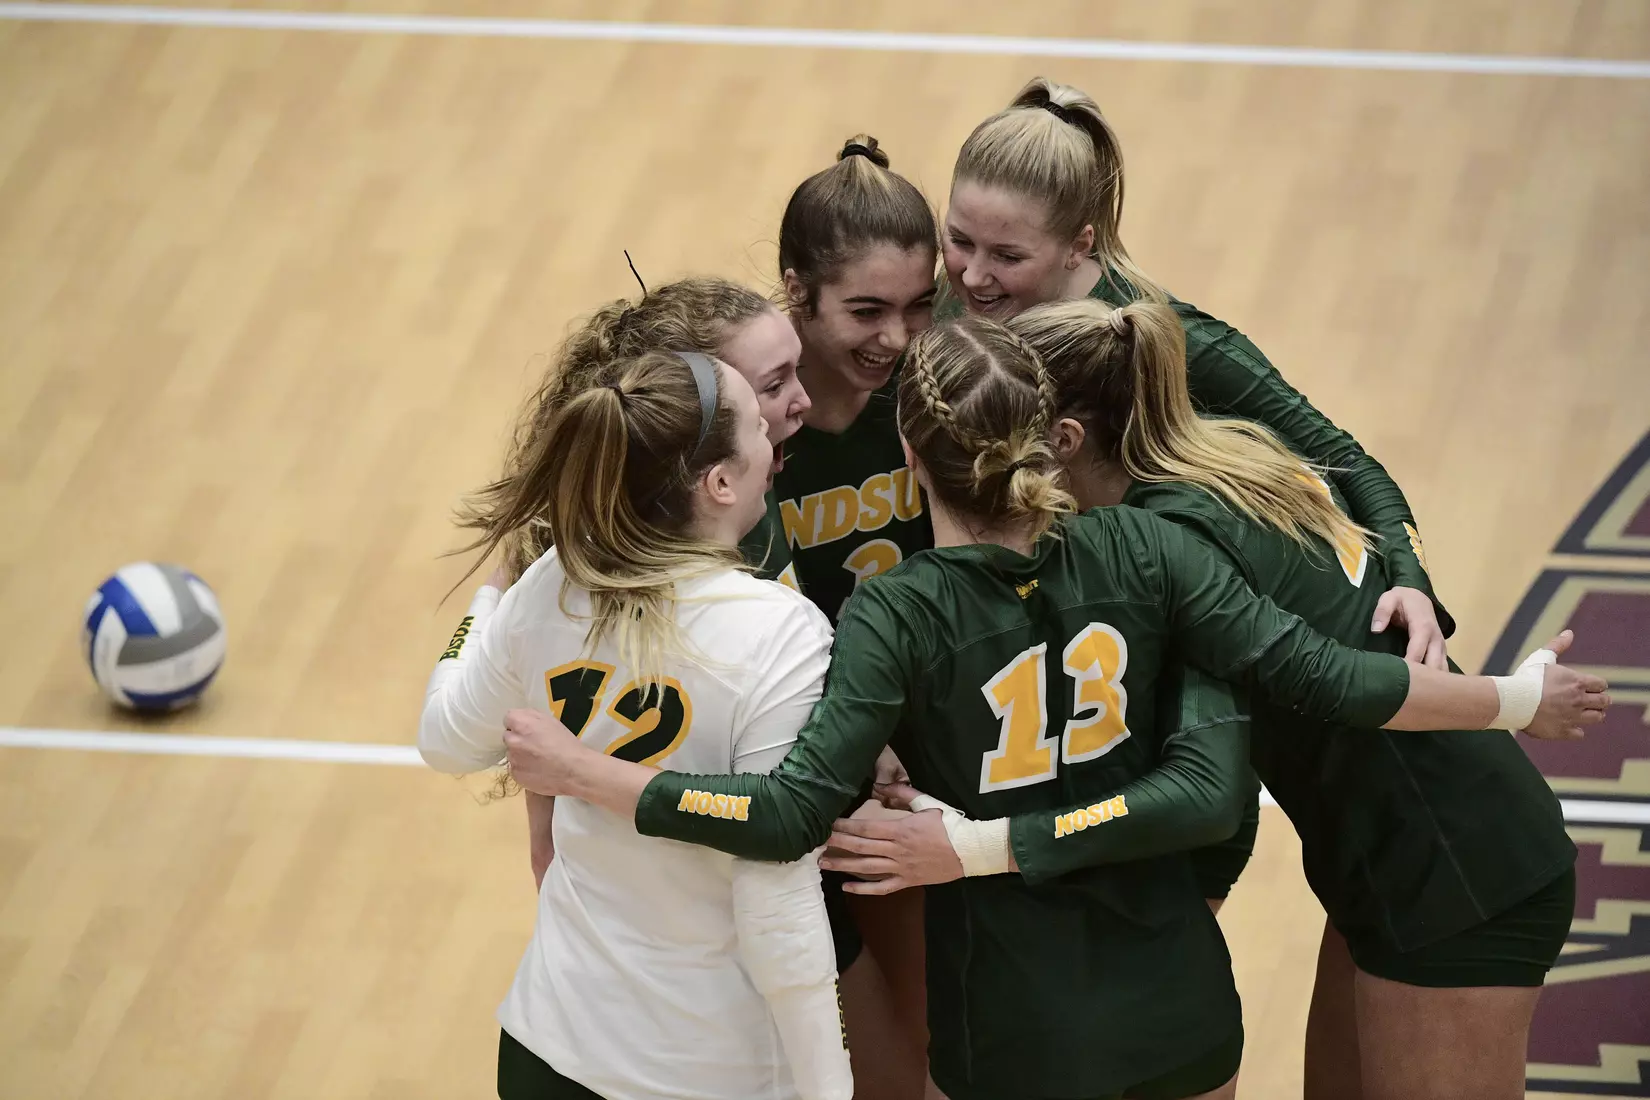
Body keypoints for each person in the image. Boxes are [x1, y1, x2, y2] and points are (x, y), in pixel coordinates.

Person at [497, 316, 1607, 1100]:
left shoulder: (886, 615)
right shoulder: (1154, 550)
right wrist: (1513, 695)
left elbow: (789, 811)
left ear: (906, 452)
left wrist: (591, 771)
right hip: (1179, 1003)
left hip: (1016, 1025)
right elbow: (1289, 710)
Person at [843, 297, 1580, 1100]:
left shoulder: (1169, 543)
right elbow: (1239, 726)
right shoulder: (1219, 457)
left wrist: (1515, 699)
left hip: (1451, 864)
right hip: (1394, 850)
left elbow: (1305, 693)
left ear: (1061, 444)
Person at [936, 76, 1457, 903]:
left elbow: (1347, 459)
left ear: (1081, 244)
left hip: (1143, 685)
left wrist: (1411, 576)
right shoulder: (950, 301)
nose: (970, 276)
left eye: (1007, 256)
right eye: (957, 240)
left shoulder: (1168, 339)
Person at [419, 347, 852, 1100]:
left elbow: (445, 739)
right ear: (720, 482)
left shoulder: (555, 579)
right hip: (709, 1072)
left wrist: (486, 604)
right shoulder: (781, 632)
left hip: (551, 1049)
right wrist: (828, 1090)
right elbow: (774, 893)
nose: (776, 434)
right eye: (758, 425)